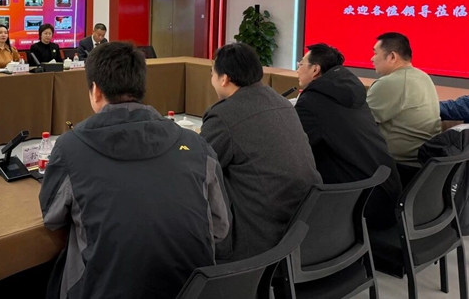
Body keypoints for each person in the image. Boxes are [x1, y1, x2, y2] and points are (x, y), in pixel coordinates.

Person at [40, 41, 229, 299]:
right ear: (141, 87)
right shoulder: (196, 145)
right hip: (192, 291)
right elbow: (220, 228)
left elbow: (52, 218)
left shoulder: (69, 147)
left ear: (96, 91)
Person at [201, 42, 321, 262]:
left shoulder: (224, 115)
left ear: (224, 78)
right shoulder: (282, 103)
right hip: (303, 225)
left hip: (259, 236)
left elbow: (199, 167)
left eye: (212, 73)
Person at [294, 43, 401, 229]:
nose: (297, 69)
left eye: (301, 64)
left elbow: (293, 148)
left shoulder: (313, 101)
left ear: (315, 69)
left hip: (359, 208)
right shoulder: (352, 92)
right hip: (386, 195)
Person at [367, 32, 441, 176]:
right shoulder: (423, 76)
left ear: (392, 57)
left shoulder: (390, 82)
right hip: (423, 166)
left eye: (375, 53)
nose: (372, 58)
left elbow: (359, 123)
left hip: (397, 167)